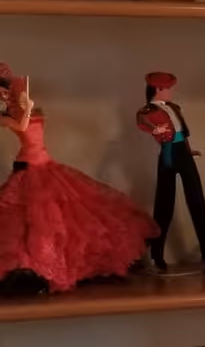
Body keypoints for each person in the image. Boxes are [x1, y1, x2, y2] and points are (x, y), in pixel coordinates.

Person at [0, 66, 156, 292]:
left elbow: (28, 122)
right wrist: (22, 106)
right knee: (32, 220)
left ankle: (42, 266)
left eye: (6, 92)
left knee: (56, 217)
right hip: (30, 165)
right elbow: (21, 124)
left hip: (40, 164)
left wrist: (24, 103)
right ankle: (32, 267)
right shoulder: (14, 117)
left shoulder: (27, 112)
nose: (6, 97)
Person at [135, 70, 205, 271]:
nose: (170, 92)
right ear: (158, 89)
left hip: (182, 153)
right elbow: (142, 123)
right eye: (168, 89)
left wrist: (188, 150)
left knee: (197, 200)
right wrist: (155, 130)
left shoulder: (174, 108)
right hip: (169, 153)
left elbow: (182, 133)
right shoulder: (147, 111)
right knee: (164, 204)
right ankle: (157, 255)